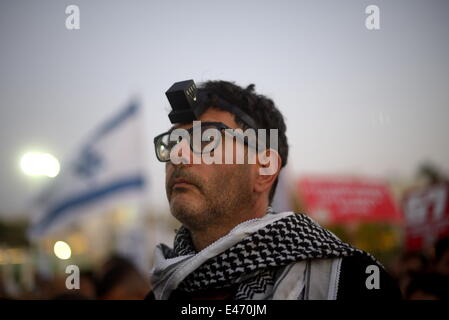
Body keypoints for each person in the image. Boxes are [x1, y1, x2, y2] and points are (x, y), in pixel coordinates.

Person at [146, 80, 402, 300]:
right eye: (173, 143)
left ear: (264, 170)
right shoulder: (159, 291)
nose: (178, 155)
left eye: (206, 140)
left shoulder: (352, 282)